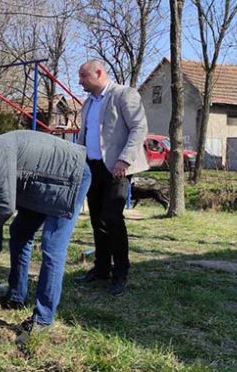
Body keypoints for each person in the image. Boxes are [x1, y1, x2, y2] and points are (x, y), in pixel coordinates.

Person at [0, 130, 91, 341]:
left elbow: (5, 206)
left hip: (69, 177)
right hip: (41, 184)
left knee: (52, 246)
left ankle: (43, 319)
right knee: (19, 232)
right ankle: (16, 296)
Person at [75, 60, 149, 296]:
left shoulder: (124, 95)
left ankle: (121, 272)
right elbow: (84, 135)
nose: (80, 81)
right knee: (97, 219)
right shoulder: (88, 103)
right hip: (93, 168)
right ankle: (102, 268)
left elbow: (139, 128)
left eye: (83, 76)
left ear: (98, 73)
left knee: (112, 218)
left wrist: (124, 160)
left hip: (117, 169)